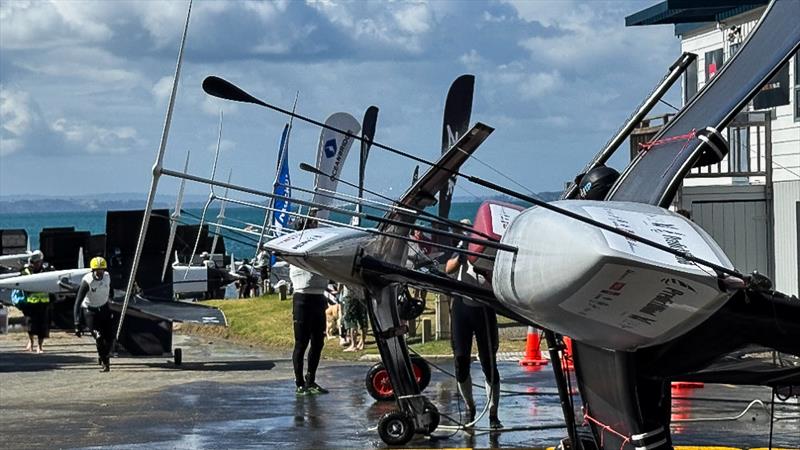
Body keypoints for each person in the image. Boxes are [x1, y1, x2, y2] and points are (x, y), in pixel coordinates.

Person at [445, 219, 502, 429]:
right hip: (462, 306)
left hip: (484, 308)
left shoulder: (488, 248)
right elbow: (448, 269)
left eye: (466, 229)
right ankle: (470, 408)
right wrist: (462, 254)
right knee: (461, 360)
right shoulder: (459, 247)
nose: (462, 232)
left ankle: (493, 414)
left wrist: (483, 268)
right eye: (460, 229)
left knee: (489, 362)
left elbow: (497, 276)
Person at [289, 217, 329, 396]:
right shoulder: (296, 246)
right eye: (313, 226)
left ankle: (311, 379)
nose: (316, 228)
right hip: (302, 298)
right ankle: (299, 383)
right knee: (301, 343)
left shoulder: (319, 246)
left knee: (318, 342)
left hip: (319, 297)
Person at [73, 257, 114, 372]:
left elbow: (110, 288)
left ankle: (102, 355)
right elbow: (77, 302)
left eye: (101, 270)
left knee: (110, 337)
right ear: (93, 270)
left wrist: (111, 295)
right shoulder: (87, 281)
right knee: (99, 336)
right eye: (97, 271)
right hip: (90, 312)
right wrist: (77, 323)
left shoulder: (107, 276)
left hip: (105, 308)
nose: (99, 273)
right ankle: (106, 363)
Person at [11, 251, 51, 353]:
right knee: (30, 325)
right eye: (33, 262)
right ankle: (31, 342)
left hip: (43, 302)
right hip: (29, 302)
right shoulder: (26, 271)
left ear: (41, 261)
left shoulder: (47, 270)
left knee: (43, 325)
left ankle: (40, 346)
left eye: (37, 262)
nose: (35, 264)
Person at [341, 285, 368, 352]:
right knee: (363, 320)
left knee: (351, 321)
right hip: (361, 295)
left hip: (350, 295)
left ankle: (353, 345)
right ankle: (362, 343)